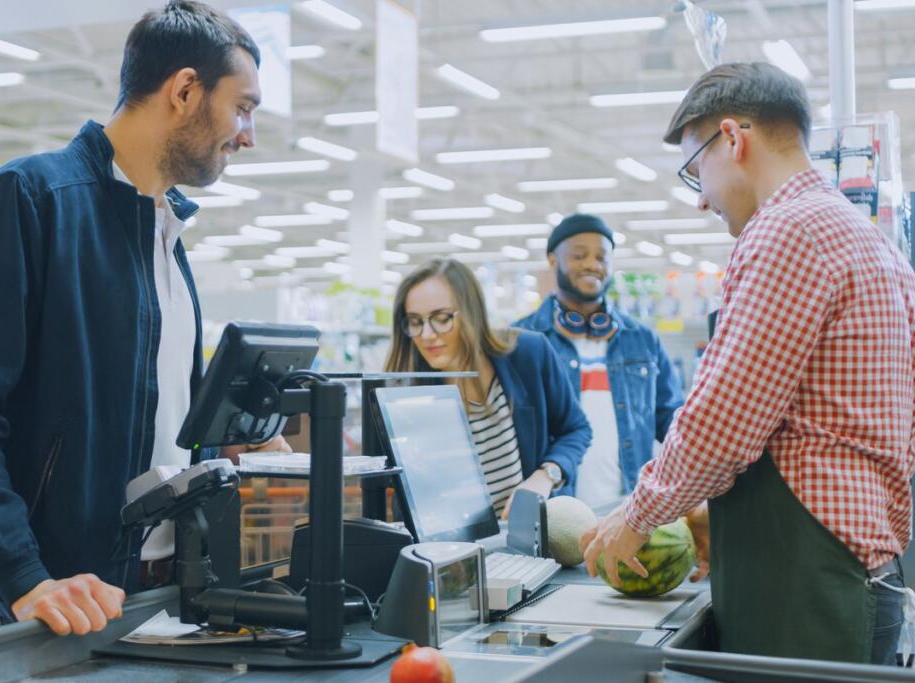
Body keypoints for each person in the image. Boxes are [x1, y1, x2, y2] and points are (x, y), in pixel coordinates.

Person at [0, 1, 263, 636]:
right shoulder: (30, 199)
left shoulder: (165, 233)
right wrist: (25, 578)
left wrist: (226, 448)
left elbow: (149, 422)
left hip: (166, 591)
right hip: (64, 602)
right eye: (242, 107)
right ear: (184, 90)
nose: (247, 134)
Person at [581, 62, 915, 665]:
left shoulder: (784, 231)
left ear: (734, 139)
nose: (702, 200)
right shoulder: (869, 241)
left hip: (807, 584)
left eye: (695, 171)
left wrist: (640, 515)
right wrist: (711, 510)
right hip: (859, 565)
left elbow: (721, 420)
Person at [385, 258, 592, 518]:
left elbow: (576, 429)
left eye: (441, 318)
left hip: (530, 541)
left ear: (471, 313)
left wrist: (545, 476)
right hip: (454, 549)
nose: (427, 334)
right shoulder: (410, 395)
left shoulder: (528, 354)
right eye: (415, 322)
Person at [514, 214, 683, 507]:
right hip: (555, 510)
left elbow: (672, 421)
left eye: (602, 257)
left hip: (630, 510)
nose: (592, 264)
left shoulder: (642, 339)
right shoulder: (523, 340)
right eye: (579, 255)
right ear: (553, 260)